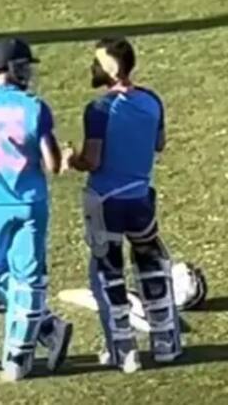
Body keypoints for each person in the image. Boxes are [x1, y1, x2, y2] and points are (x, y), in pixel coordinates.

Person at [0, 38, 73, 381]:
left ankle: (47, 328)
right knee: (30, 280)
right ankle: (19, 358)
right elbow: (53, 164)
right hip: (30, 203)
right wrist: (66, 155)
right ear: (14, 68)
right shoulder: (33, 107)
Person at [64, 37, 182, 373]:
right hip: (140, 199)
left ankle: (123, 348)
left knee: (107, 270)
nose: (93, 67)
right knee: (150, 259)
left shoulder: (99, 110)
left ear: (112, 69)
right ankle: (165, 341)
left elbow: (94, 160)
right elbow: (159, 143)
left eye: (98, 62)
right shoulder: (152, 100)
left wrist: (73, 158)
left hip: (105, 202)